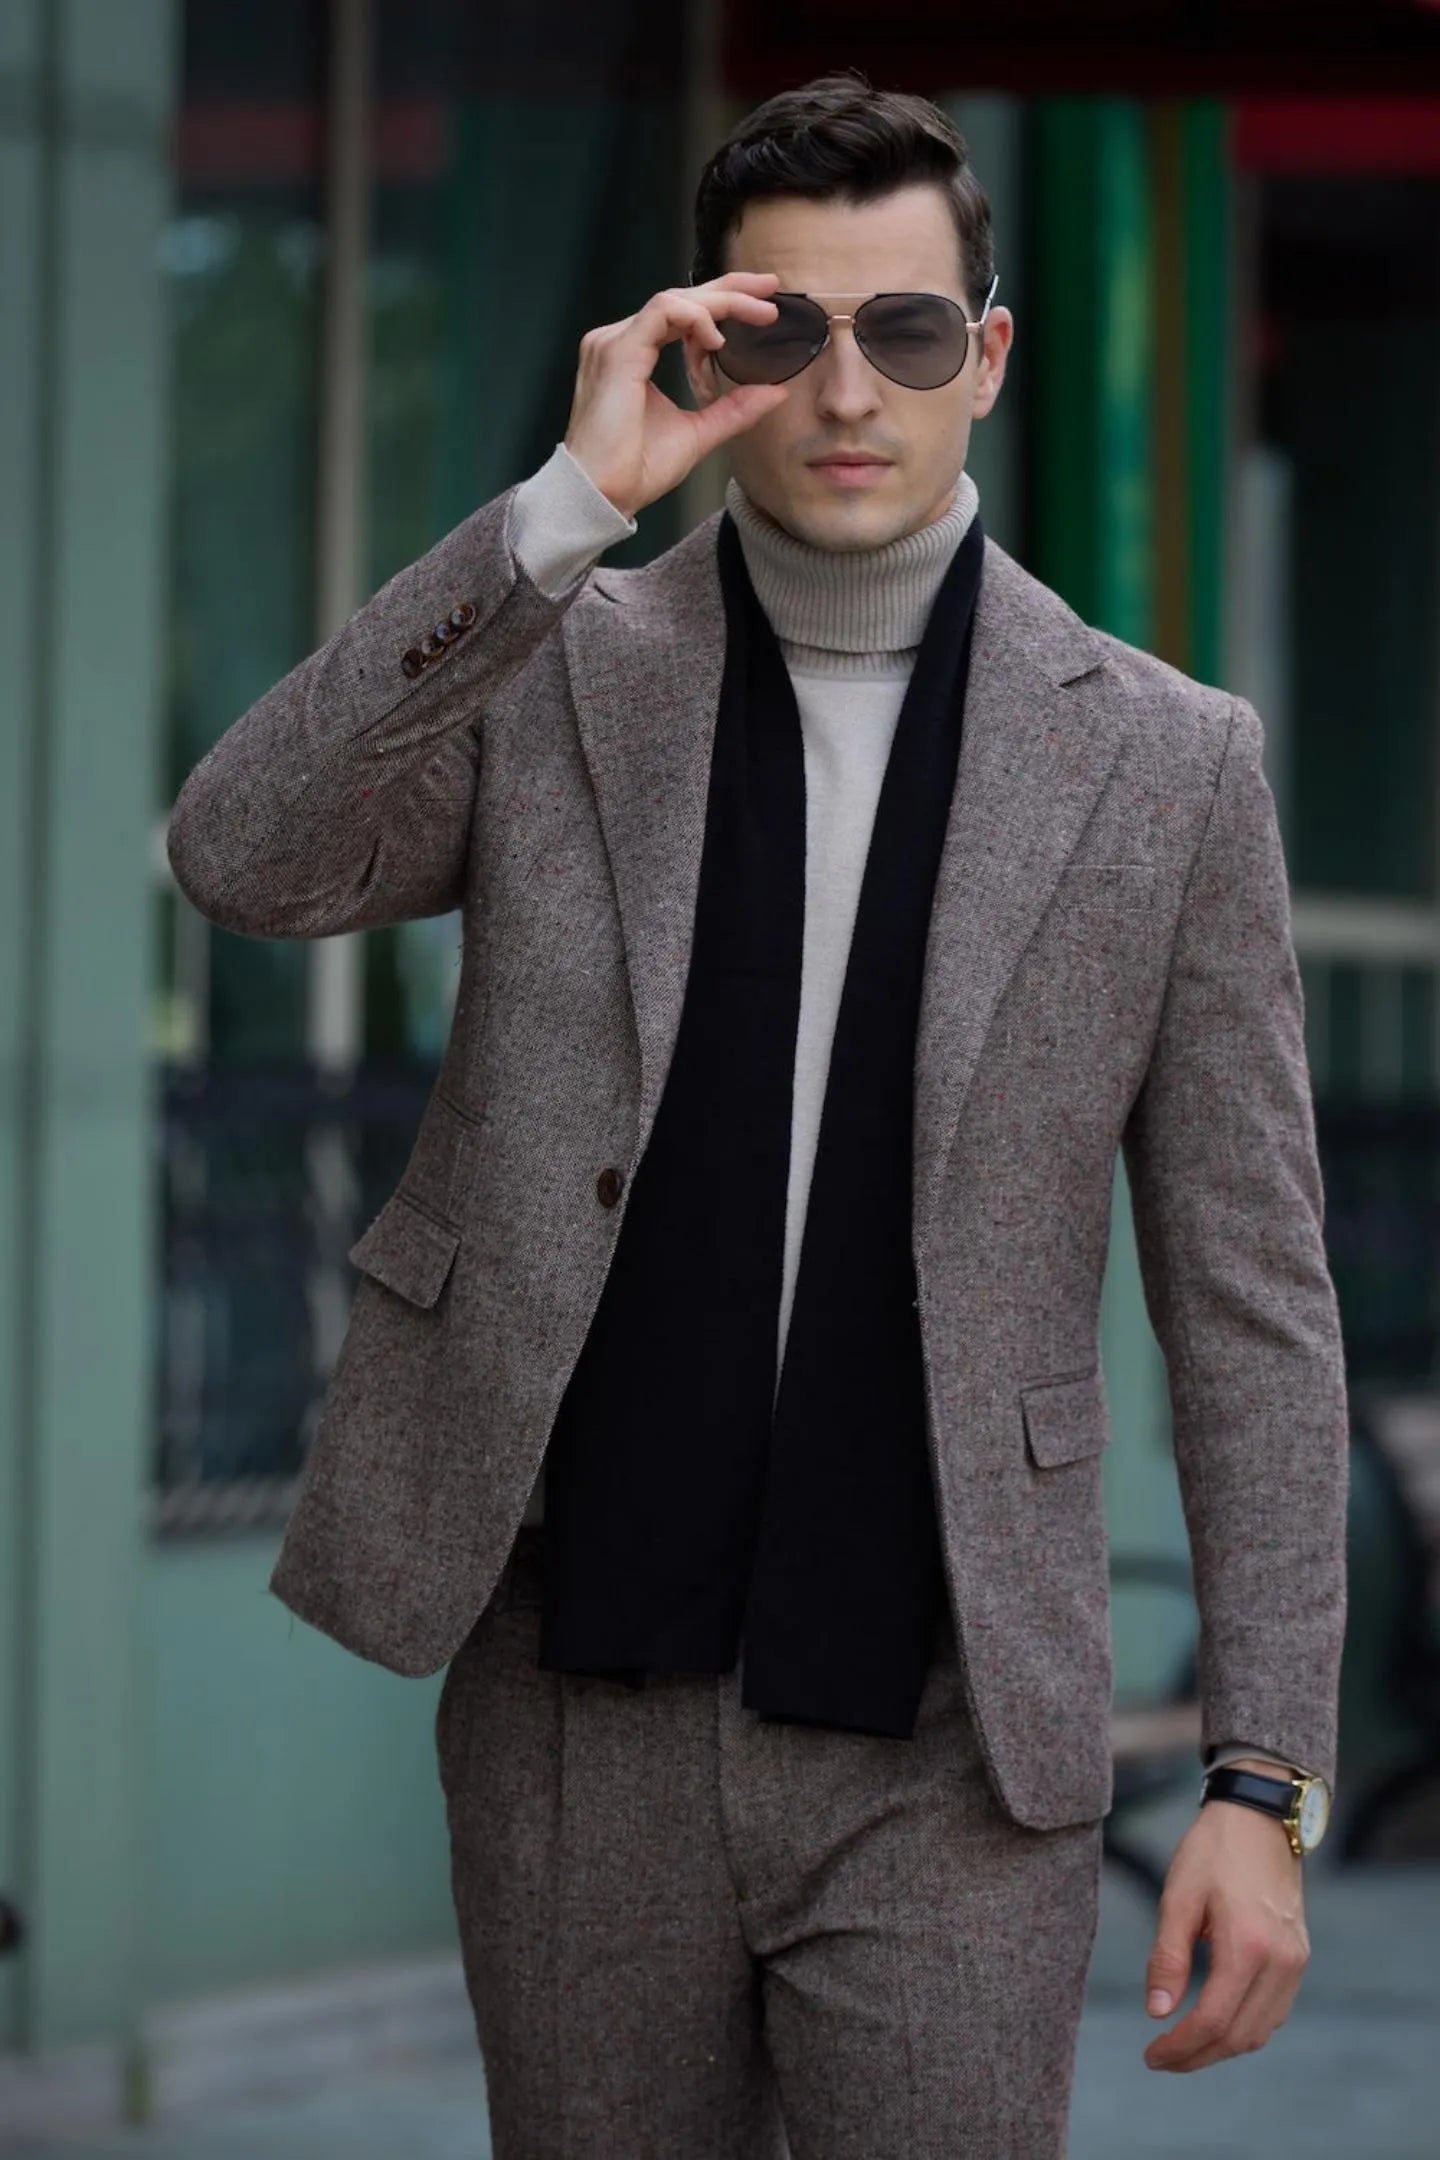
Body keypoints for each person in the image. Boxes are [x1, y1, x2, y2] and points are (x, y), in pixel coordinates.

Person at [167, 73, 1349, 2160]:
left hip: (950, 1737)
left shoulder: (1169, 769)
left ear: (983, 357)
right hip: (574, 1706)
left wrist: (1262, 1778)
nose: (847, 392)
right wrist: (557, 511)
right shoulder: (555, 665)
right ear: (710, 344)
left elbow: (1253, 1305)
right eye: (785, 332)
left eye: (905, 333)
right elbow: (244, 856)